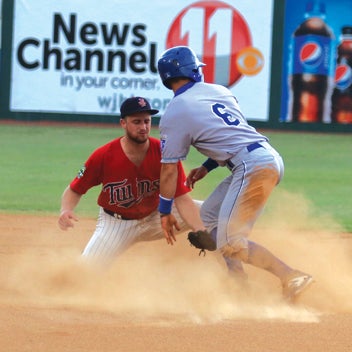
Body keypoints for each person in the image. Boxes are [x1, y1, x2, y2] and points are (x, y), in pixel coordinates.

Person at [156, 46, 313, 301]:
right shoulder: (219, 91)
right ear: (192, 70)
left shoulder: (175, 110)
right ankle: (238, 283)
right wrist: (207, 167)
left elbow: (168, 168)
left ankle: (291, 276)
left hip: (251, 166)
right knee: (207, 217)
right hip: (264, 157)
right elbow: (232, 133)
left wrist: (164, 210)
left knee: (231, 241)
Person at [58, 96, 205, 265]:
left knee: (214, 212)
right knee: (85, 271)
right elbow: (75, 189)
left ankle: (232, 271)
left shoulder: (165, 153)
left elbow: (181, 197)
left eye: (146, 121)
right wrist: (65, 209)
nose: (143, 127)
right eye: (136, 122)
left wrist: (200, 231)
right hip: (117, 224)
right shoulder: (104, 155)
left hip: (157, 215)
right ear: (123, 123)